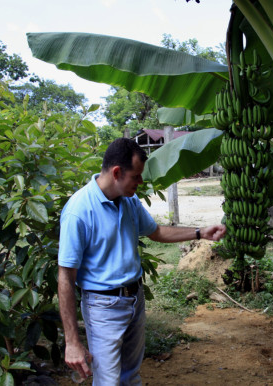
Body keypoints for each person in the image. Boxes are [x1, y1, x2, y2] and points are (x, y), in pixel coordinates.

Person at [57, 138, 226, 385]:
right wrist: (72, 341)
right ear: (116, 173)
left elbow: (156, 232)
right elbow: (65, 277)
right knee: (108, 381)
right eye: (136, 176)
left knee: (130, 376)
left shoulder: (129, 202)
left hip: (135, 299)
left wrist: (201, 233)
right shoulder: (78, 211)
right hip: (103, 306)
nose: (141, 182)